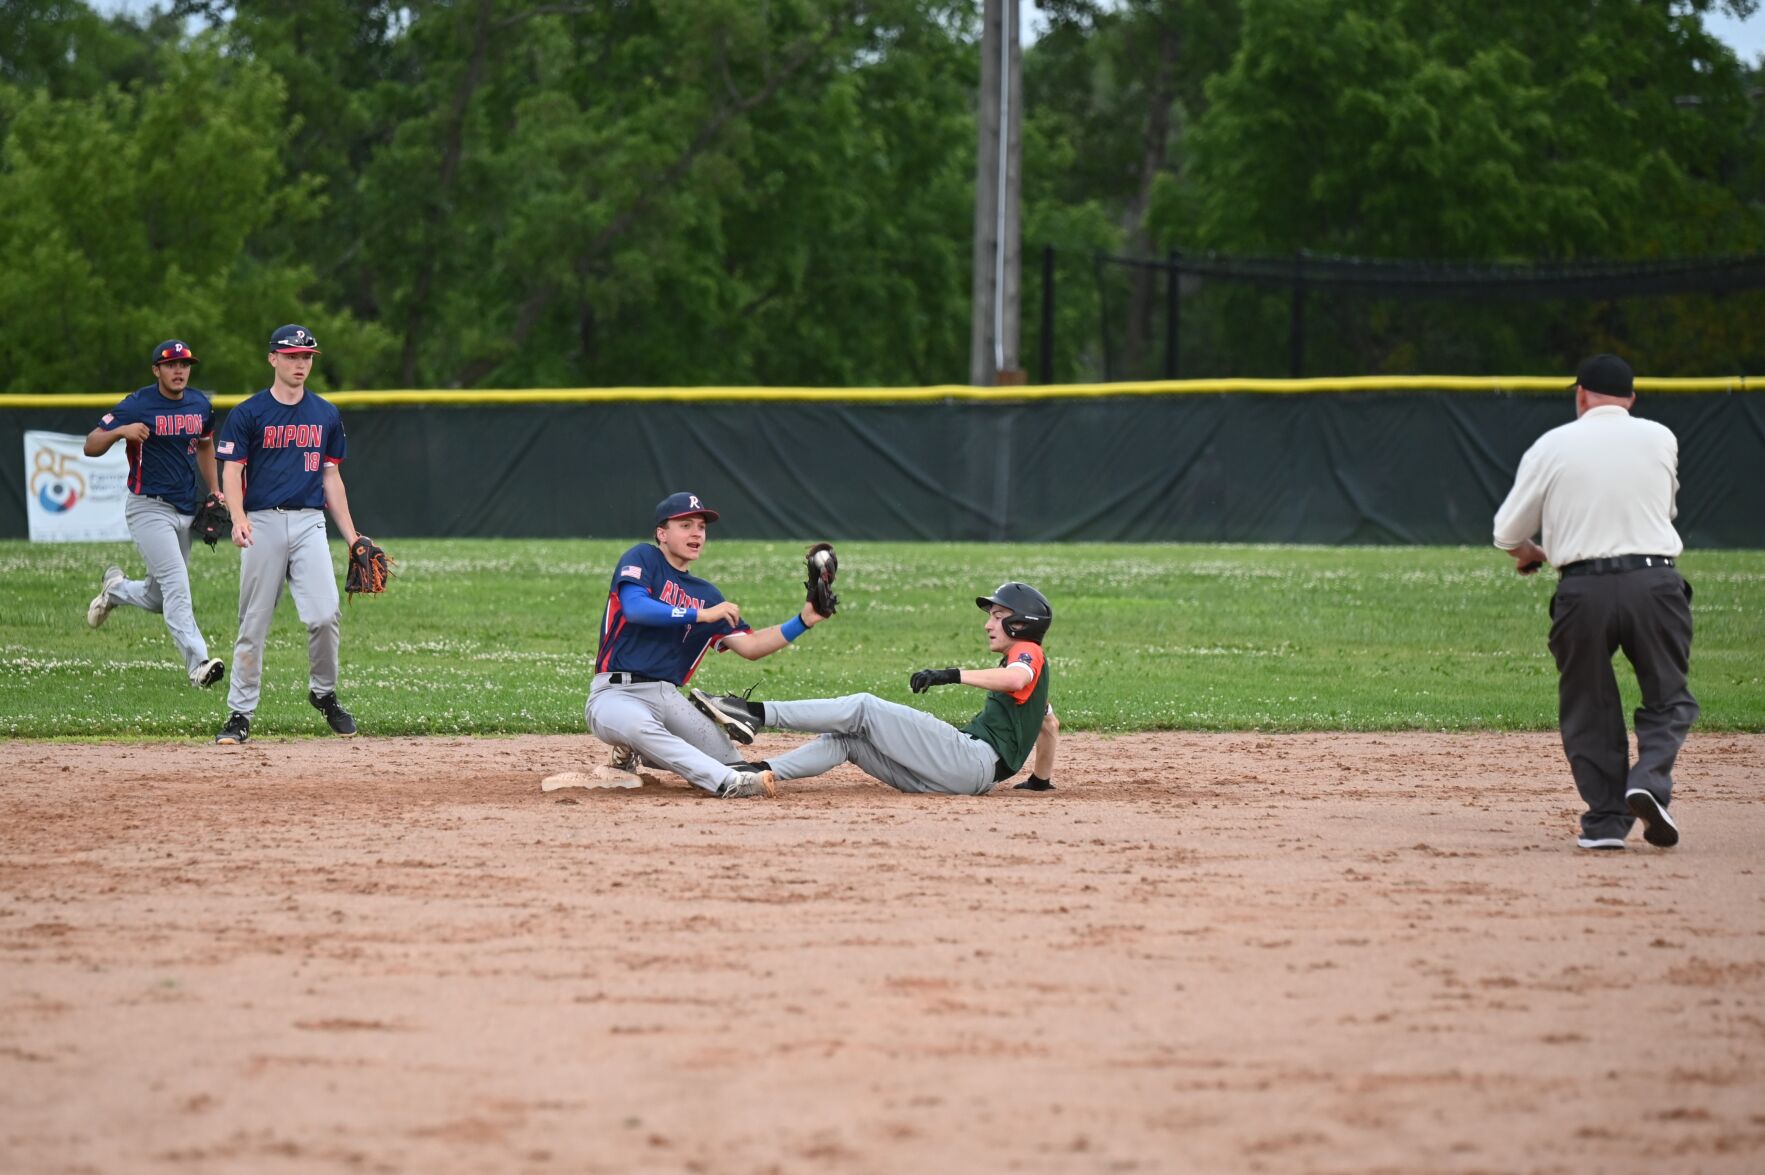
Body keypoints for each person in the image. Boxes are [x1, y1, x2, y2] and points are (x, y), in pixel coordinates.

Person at [1493, 353, 1697, 851]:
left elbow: (1507, 532)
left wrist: (1530, 554)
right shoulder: (1660, 437)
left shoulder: (1553, 444)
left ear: (1580, 394)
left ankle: (1606, 824)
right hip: (1655, 584)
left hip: (1582, 589)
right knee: (1668, 696)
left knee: (1589, 704)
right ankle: (1647, 779)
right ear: (1631, 398)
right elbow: (1662, 510)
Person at [692, 582, 1059, 796]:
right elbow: (1048, 726)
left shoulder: (1027, 653)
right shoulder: (1034, 670)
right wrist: (1040, 781)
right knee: (847, 741)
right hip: (963, 777)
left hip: (969, 761)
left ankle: (753, 713)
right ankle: (753, 773)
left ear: (1022, 623)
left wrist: (951, 674)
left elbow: (1016, 679)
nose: (989, 624)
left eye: (998, 616)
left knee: (863, 708)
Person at [586, 492, 835, 799]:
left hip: (666, 697)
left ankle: (638, 753)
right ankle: (726, 784)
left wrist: (804, 620)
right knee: (642, 728)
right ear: (661, 534)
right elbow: (636, 608)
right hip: (615, 694)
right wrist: (699, 614)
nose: (696, 533)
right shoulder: (643, 558)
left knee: (732, 761)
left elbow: (752, 646)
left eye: (701, 527)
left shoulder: (707, 594)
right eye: (685, 524)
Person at [211, 325, 365, 745]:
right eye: (292, 355)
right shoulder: (249, 413)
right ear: (273, 359)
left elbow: (331, 477)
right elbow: (232, 470)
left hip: (308, 521)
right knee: (254, 623)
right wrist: (238, 517)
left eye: (307, 356)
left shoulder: (325, 414)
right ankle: (239, 714)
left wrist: (352, 537)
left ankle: (324, 693)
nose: (300, 363)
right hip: (260, 521)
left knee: (324, 614)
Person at [83, 339, 226, 688]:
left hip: (184, 508)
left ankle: (115, 590)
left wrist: (215, 490)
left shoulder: (199, 404)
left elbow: (206, 445)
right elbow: (90, 445)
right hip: (148, 506)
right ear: (156, 370)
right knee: (177, 584)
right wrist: (120, 432)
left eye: (185, 364)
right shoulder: (138, 404)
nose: (179, 370)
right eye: (171, 364)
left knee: (158, 597)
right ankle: (198, 666)